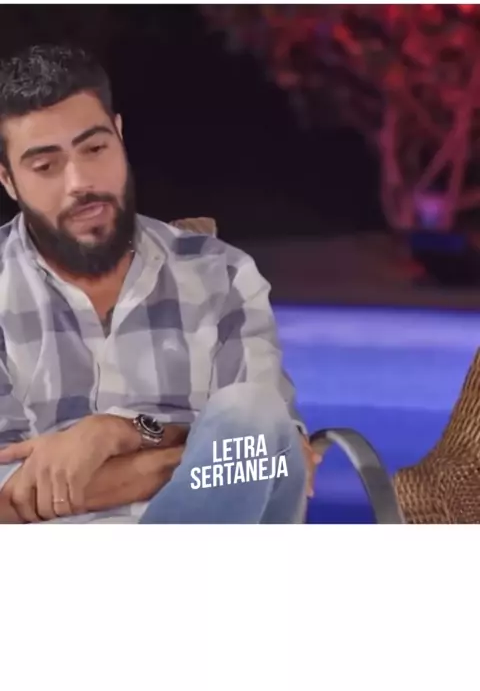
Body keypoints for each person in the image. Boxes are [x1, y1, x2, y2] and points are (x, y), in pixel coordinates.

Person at [0, 44, 318, 524]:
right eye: (46, 166)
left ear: (120, 135)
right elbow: (8, 498)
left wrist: (122, 432)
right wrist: (198, 457)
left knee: (250, 410)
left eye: (95, 149)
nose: (80, 182)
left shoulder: (221, 275)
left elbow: (272, 453)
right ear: (8, 180)